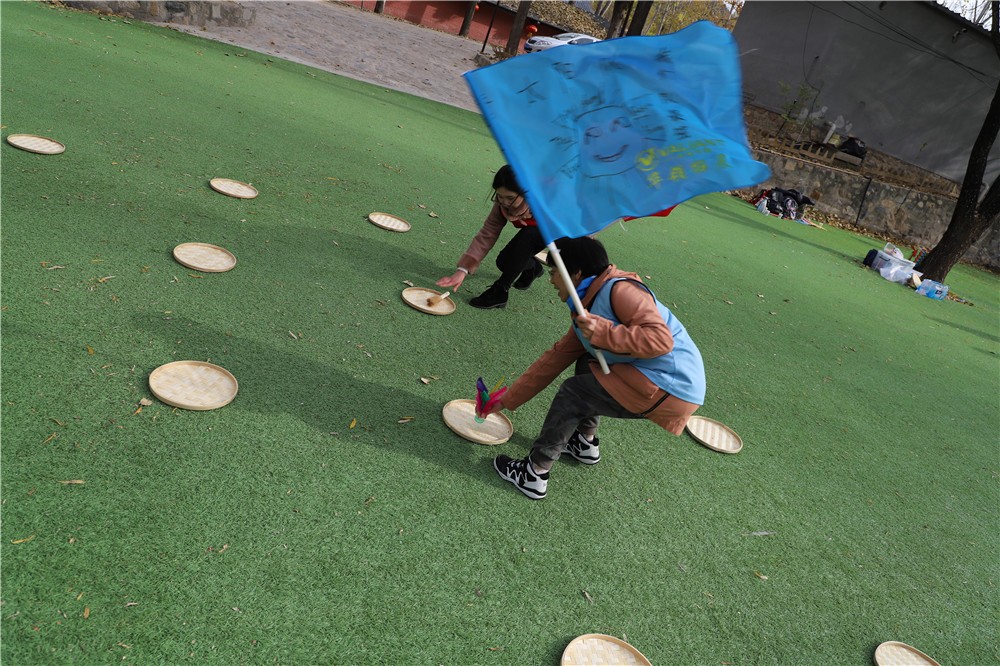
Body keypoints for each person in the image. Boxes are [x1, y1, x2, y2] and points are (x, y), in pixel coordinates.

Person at [482, 236, 706, 499]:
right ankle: (583, 442)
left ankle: (534, 473)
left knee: (574, 392)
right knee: (587, 365)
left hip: (671, 387)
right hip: (658, 382)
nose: (552, 280)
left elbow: (661, 340)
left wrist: (605, 332)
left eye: (554, 272)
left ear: (575, 274)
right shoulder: (585, 306)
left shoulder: (621, 291)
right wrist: (507, 400)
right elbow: (553, 360)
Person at [436, 165, 546, 309]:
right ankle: (533, 267)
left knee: (529, 235)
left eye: (510, 198)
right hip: (531, 231)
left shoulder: (544, 202)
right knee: (504, 263)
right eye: (500, 195)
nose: (504, 202)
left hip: (554, 233)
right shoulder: (501, 204)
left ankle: (500, 291)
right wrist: (463, 270)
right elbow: (487, 233)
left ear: (525, 192)